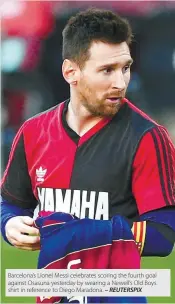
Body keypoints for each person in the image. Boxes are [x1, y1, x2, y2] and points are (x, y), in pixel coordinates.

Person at [1, 7, 175, 258]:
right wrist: (9, 224)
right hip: (51, 294)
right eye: (107, 70)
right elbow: (11, 203)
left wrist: (82, 232)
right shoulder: (32, 131)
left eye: (125, 68)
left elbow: (163, 235)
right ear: (71, 72)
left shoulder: (147, 137)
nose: (120, 82)